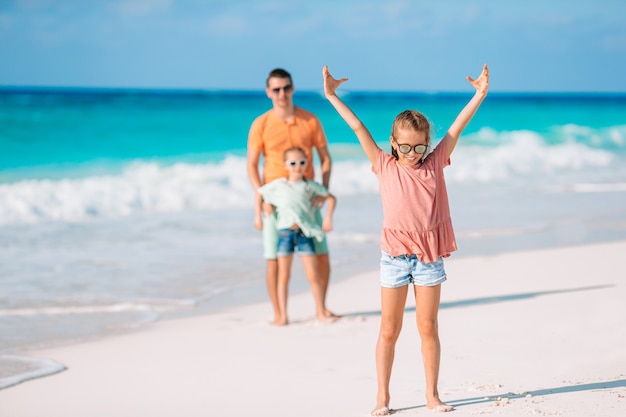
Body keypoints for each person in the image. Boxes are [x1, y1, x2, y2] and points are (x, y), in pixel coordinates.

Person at [322, 64, 489, 415]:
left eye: (419, 148)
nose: (412, 155)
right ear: (393, 144)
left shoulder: (435, 162)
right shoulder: (384, 165)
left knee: (428, 326)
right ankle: (382, 398)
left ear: (428, 145)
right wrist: (332, 95)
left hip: (428, 257)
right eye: (405, 148)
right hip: (394, 258)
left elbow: (458, 127)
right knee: (389, 329)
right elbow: (357, 127)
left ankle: (432, 395)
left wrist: (479, 94)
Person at [247, 68, 334, 326]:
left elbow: (325, 158)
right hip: (274, 202)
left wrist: (323, 192)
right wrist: (260, 196)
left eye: (286, 88)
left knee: (321, 255)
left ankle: (323, 307)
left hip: (307, 197)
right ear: (268, 92)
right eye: (276, 89)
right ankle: (279, 313)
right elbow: (252, 164)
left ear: (293, 88)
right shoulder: (260, 124)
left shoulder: (310, 121)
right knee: (273, 259)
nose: (281, 94)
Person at [256, 147, 337, 325]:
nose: (297, 166)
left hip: (305, 234)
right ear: (285, 165)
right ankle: (283, 315)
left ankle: (321, 311)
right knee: (284, 276)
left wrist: (328, 218)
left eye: (301, 162)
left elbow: (331, 198)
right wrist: (258, 214)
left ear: (307, 163)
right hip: (285, 234)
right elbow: (260, 193)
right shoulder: (279, 185)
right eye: (293, 163)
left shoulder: (309, 186)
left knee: (312, 275)